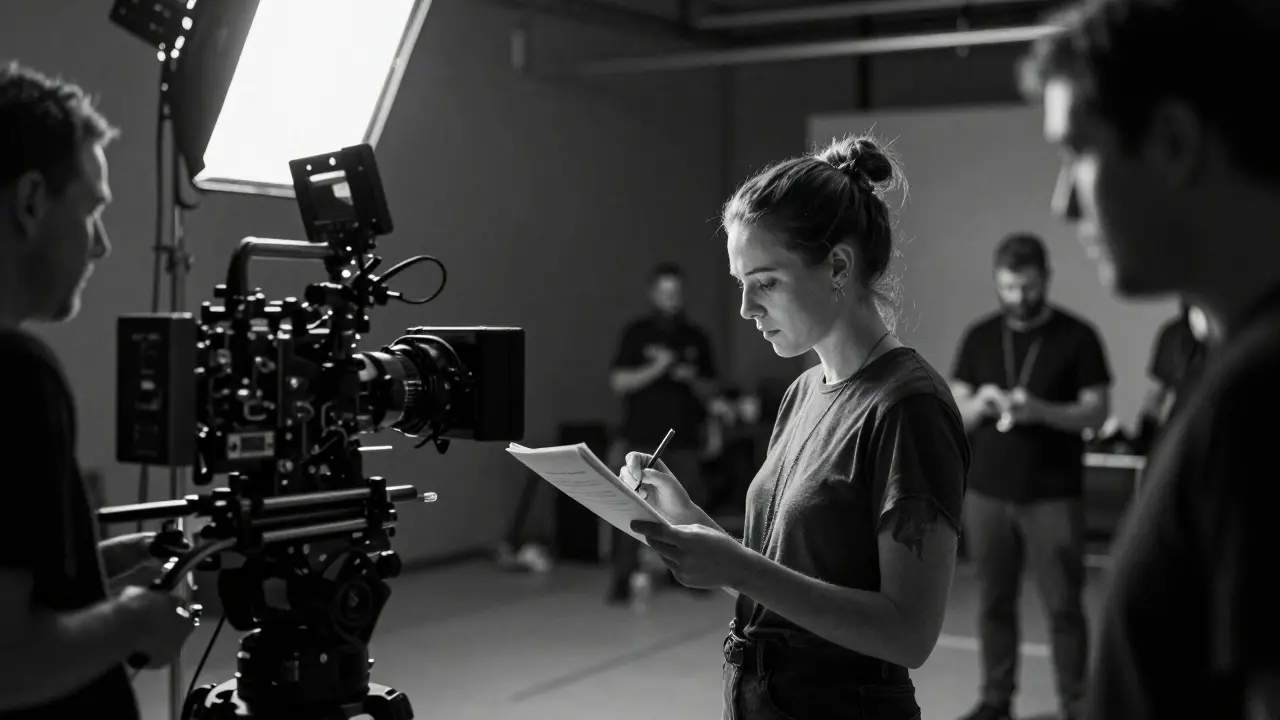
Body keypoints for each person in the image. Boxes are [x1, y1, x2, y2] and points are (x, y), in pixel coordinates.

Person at [629, 134, 969, 720]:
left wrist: (736, 567)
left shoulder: (907, 406)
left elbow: (909, 634)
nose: (746, 308)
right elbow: (778, 584)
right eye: (741, 284)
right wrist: (686, 518)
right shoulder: (803, 391)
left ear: (838, 265)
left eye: (766, 282)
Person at [1020, 1, 1280, 717]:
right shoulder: (1229, 370)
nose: (1063, 201)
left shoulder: (1259, 397)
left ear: (1171, 143)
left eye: (1076, 151)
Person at [0, 62, 197, 717]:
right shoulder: (18, 377)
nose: (103, 245)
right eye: (92, 210)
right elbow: (8, 664)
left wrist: (95, 567)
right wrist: (136, 620)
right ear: (31, 201)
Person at [949, 232, 1111, 720]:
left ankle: (1078, 705)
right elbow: (957, 408)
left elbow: (1097, 412)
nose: (1019, 298)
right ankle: (997, 701)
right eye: (1009, 288)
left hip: (1053, 495)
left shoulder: (1078, 336)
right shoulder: (980, 336)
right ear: (998, 284)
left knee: (1064, 607)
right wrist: (984, 402)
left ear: (1046, 279)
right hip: (987, 493)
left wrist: (1039, 409)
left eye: (1029, 287)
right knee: (994, 603)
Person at [606, 262, 717, 603]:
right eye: (665, 291)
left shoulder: (696, 337)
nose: (671, 298)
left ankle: (691, 578)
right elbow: (619, 382)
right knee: (630, 509)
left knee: (688, 510)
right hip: (640, 439)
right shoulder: (636, 333)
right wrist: (658, 366)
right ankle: (621, 579)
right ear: (653, 293)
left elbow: (714, 390)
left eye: (676, 292)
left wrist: (690, 379)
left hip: (684, 440)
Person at [1133, 301, 1212, 451]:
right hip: (1183, 435)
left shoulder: (1245, 330)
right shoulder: (1174, 334)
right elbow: (1157, 392)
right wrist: (1146, 434)